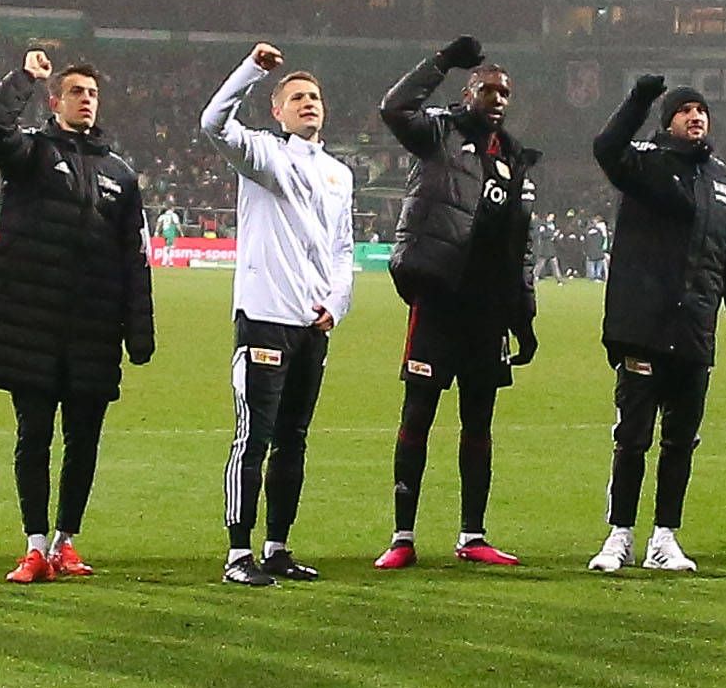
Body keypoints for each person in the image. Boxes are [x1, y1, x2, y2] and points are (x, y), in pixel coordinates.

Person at [0, 45, 155, 582]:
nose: (86, 100)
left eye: (92, 93)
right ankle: (34, 546)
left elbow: (134, 257)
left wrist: (138, 330)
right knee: (33, 436)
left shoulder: (120, 174)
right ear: (55, 102)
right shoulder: (31, 153)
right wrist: (24, 77)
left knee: (83, 441)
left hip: (94, 330)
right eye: (76, 92)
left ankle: (64, 542)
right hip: (34, 325)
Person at [375, 35, 537, 569]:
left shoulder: (513, 157)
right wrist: (442, 61)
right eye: (488, 89)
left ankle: (472, 535)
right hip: (438, 296)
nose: (498, 99)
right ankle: (402, 537)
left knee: (479, 420)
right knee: (418, 413)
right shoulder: (439, 132)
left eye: (505, 93)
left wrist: (524, 316)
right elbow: (394, 108)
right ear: (468, 93)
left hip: (487, 311)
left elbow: (520, 244)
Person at [589, 74, 726, 574]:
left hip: (694, 330)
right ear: (668, 122)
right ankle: (619, 535)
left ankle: (664, 537)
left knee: (681, 441)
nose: (696, 116)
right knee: (633, 436)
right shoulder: (644, 163)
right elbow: (605, 147)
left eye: (701, 110)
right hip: (643, 325)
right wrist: (639, 98)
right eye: (685, 110)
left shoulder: (724, 184)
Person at [204, 42, 358, 586]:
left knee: (294, 439)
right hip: (266, 317)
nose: (308, 103)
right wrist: (250, 70)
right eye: (296, 97)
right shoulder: (264, 156)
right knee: (254, 438)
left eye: (314, 96)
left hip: (312, 326)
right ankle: (237, 554)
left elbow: (343, 249)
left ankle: (276, 547)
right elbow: (213, 122)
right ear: (277, 111)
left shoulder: (339, 174)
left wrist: (336, 304)